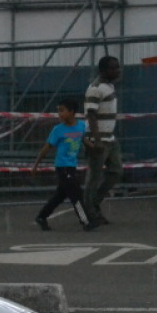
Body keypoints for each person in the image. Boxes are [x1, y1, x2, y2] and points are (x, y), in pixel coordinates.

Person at [32, 97, 95, 231]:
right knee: (76, 194)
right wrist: (36, 165)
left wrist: (94, 147)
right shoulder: (58, 130)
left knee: (60, 195)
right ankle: (86, 221)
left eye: (62, 111)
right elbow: (46, 148)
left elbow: (83, 139)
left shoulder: (81, 126)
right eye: (58, 111)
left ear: (72, 112)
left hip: (72, 166)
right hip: (63, 167)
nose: (59, 114)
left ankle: (42, 216)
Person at [83, 55, 123, 226]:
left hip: (110, 138)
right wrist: (96, 141)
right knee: (94, 177)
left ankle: (94, 203)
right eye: (113, 68)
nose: (117, 71)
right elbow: (91, 115)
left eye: (117, 67)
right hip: (99, 139)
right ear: (104, 70)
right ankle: (89, 212)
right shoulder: (95, 88)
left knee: (116, 171)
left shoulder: (109, 86)